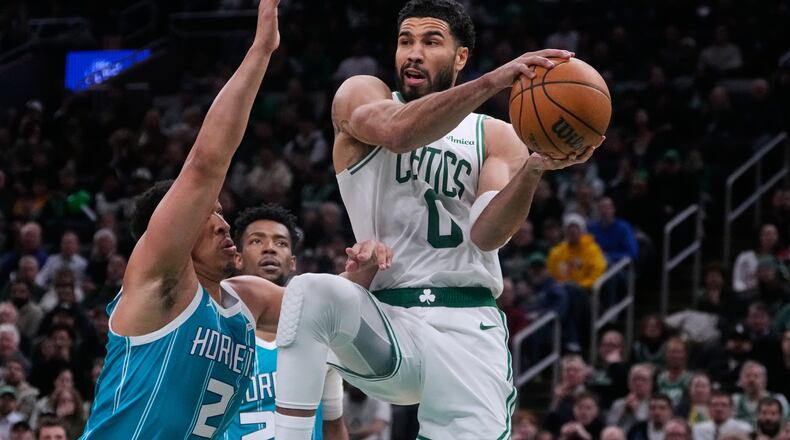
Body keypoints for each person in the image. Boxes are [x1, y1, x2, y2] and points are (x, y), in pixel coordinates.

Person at [271, 0, 599, 438]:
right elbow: (399, 133)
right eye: (405, 41)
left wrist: (534, 169)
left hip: (468, 327)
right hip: (389, 320)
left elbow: (487, 235)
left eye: (431, 41)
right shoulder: (361, 96)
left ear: (460, 56)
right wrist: (496, 79)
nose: (413, 53)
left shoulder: (496, 134)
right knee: (312, 291)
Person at [79, 3, 286, 437]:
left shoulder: (247, 301)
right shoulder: (162, 283)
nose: (224, 224)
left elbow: (330, 310)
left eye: (222, 213)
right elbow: (205, 163)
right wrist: (262, 49)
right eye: (209, 214)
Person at [225, 204, 350, 439]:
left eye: (280, 243)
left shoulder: (319, 333)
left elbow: (333, 424)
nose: (270, 249)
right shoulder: (219, 332)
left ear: (292, 262)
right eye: (256, 241)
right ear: (238, 258)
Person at [547, 213, 608, 290]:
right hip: (562, 291)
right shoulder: (556, 252)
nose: (573, 231)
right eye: (570, 228)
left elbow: (597, 274)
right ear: (565, 231)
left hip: (584, 291)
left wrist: (580, 286)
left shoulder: (592, 250)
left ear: (582, 230)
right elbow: (551, 275)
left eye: (576, 227)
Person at [607, 364, 654, 432]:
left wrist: (635, 412)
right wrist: (625, 412)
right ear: (629, 383)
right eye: (635, 379)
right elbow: (610, 429)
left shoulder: (656, 405)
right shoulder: (618, 404)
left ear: (651, 384)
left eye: (643, 379)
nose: (639, 383)